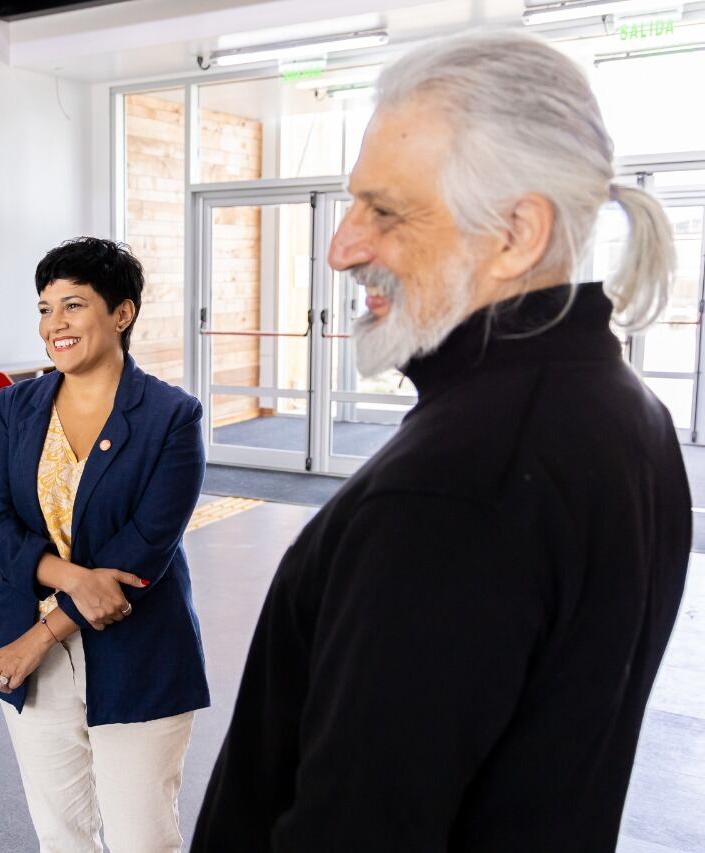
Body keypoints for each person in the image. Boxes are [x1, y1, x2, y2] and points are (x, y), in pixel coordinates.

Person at [193, 30, 691, 852]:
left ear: (516, 233)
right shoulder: (625, 411)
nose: (342, 248)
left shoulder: (455, 493)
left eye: (385, 211)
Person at [0, 237, 210, 853]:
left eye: (73, 305)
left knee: (143, 839)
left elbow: (144, 552)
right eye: (44, 308)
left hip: (137, 651)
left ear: (122, 313)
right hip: (34, 661)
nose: (54, 324)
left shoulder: (172, 417)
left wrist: (40, 636)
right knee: (62, 836)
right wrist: (72, 578)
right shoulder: (16, 406)